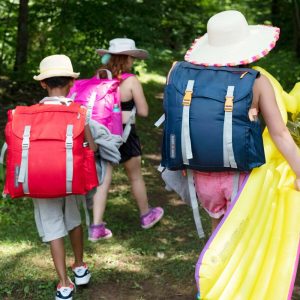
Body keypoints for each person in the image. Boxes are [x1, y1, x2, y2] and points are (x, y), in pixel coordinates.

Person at [182, 10, 300, 233]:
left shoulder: (191, 79)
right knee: (242, 237)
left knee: (217, 233)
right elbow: (280, 133)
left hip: (202, 172)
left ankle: (210, 266)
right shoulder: (257, 81)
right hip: (239, 172)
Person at [32, 54, 97, 300]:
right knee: (73, 219)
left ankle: (63, 284)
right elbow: (91, 147)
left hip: (40, 179)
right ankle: (79, 266)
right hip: (70, 178)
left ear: (42, 83)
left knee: (53, 227)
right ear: (71, 82)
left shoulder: (32, 113)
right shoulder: (79, 111)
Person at [88, 38, 164, 241]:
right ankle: (146, 215)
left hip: (103, 135)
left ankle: (96, 226)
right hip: (126, 134)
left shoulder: (99, 76)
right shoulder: (131, 81)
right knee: (136, 177)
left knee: (103, 181)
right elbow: (144, 111)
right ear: (128, 58)